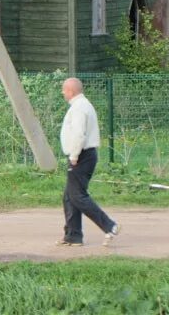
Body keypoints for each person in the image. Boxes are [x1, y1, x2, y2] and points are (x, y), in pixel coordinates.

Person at [57, 77, 121, 247]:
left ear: (71, 91)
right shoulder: (82, 105)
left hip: (81, 155)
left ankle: (109, 225)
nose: (63, 93)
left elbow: (79, 134)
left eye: (64, 90)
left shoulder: (79, 108)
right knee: (69, 196)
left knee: (77, 196)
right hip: (84, 154)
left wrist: (74, 156)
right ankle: (73, 236)